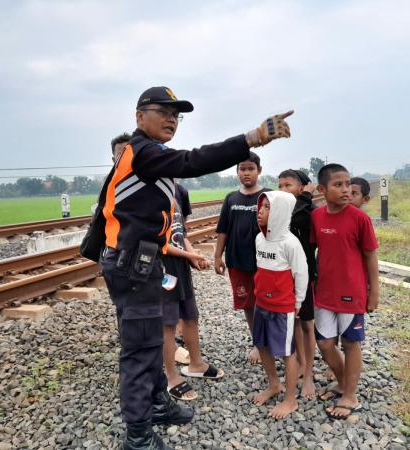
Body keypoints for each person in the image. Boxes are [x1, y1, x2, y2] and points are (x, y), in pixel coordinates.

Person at [99, 85, 293, 449]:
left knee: (153, 337)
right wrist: (252, 137)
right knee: (140, 348)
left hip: (143, 261)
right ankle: (138, 436)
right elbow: (192, 160)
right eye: (163, 111)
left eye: (177, 114)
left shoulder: (144, 155)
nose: (172, 118)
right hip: (132, 266)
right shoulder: (142, 151)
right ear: (140, 117)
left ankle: (156, 404)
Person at [310, 164, 379, 420]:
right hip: (324, 293)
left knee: (351, 343)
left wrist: (374, 293)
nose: (346, 190)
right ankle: (342, 382)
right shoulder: (317, 217)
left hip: (353, 293)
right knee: (325, 343)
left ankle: (350, 395)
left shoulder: (360, 219)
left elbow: (371, 257)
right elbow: (318, 253)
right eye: (338, 185)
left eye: (348, 184)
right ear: (322, 189)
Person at [161, 183, 223, 402]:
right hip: (161, 268)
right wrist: (189, 256)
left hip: (180, 266)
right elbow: (157, 243)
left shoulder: (176, 191)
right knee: (168, 323)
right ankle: (171, 375)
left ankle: (196, 363)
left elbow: (180, 232)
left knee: (190, 315)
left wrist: (191, 253)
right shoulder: (149, 192)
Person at [251, 191, 308, 419]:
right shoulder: (259, 239)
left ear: (280, 212)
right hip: (260, 304)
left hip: (282, 308)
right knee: (262, 345)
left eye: (267, 207)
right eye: (260, 207)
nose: (260, 211)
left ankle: (290, 399)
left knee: (287, 353)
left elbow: (301, 273)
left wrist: (299, 301)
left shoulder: (290, 243)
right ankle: (274, 384)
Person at [214, 152, 269, 364]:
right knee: (247, 304)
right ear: (237, 172)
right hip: (237, 260)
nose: (246, 173)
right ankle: (258, 342)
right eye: (242, 169)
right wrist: (218, 256)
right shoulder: (231, 198)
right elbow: (223, 229)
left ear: (259, 170)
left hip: (264, 261)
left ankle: (269, 342)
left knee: (265, 302)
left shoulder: (267, 196)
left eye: (250, 169)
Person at [277, 169, 317, 399]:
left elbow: (297, 217)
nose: (282, 190)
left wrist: (305, 199)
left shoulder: (309, 210)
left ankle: (309, 374)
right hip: (284, 278)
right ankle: (300, 363)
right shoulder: (278, 211)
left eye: (288, 185)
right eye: (280, 186)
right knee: (296, 321)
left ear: (302, 188)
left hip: (305, 277)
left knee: (308, 324)